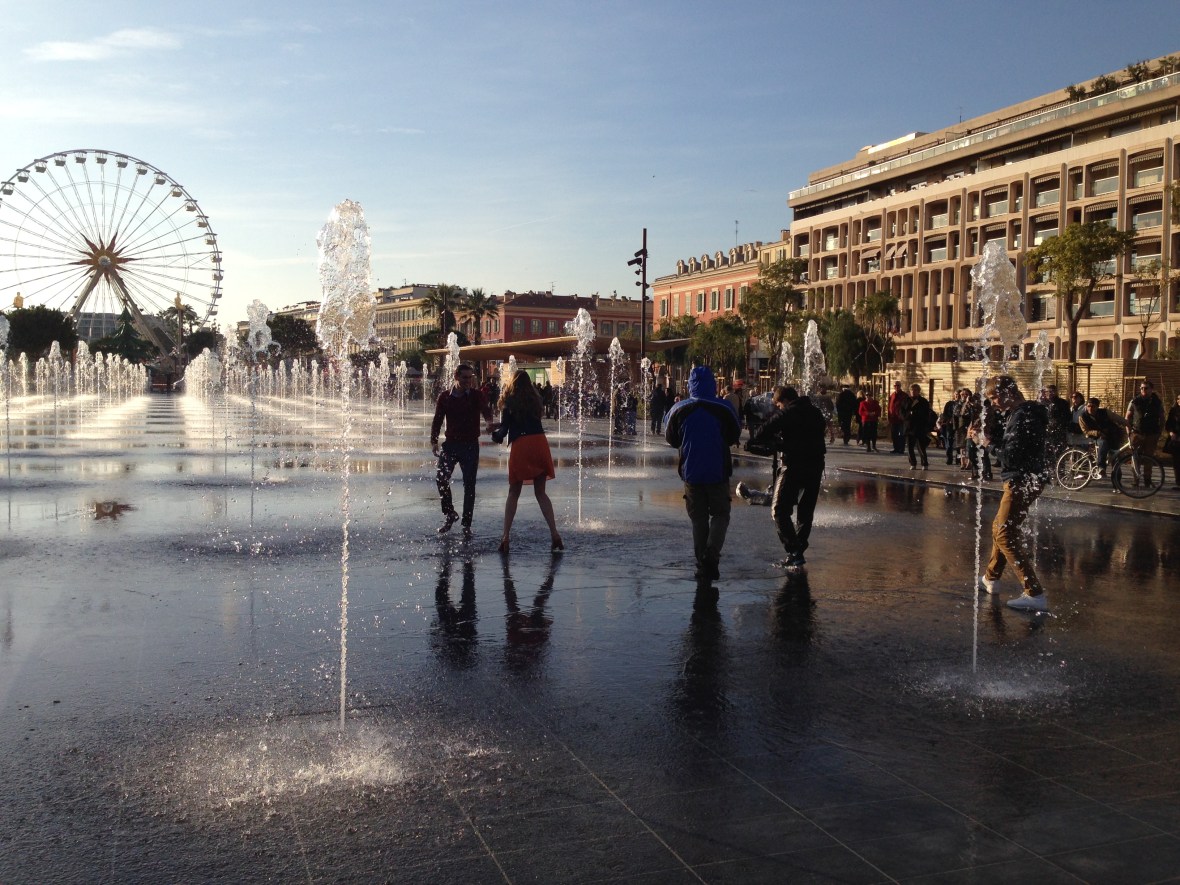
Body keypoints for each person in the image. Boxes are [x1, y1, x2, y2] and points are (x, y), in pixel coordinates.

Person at [978, 376, 1050, 611]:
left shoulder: (1022, 415)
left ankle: (1034, 593)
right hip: (1028, 478)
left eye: (994, 397)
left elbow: (1011, 456)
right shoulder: (1025, 413)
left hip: (1020, 480)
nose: (993, 403)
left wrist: (987, 444)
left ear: (1008, 392)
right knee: (999, 528)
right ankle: (991, 578)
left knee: (1005, 534)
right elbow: (1016, 447)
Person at [664, 365, 741, 582]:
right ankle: (711, 555)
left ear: (690, 385)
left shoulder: (679, 409)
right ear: (713, 384)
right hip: (718, 470)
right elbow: (733, 435)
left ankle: (701, 564)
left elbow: (671, 439)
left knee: (698, 518)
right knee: (720, 514)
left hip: (691, 471)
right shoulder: (724, 408)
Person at [747, 387, 826, 571]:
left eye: (779, 404)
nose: (779, 408)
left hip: (794, 465)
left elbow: (762, 432)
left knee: (779, 510)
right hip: (816, 465)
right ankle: (798, 552)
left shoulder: (789, 412)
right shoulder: (815, 412)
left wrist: (778, 441)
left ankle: (794, 550)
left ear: (785, 400)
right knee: (805, 512)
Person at [492, 370, 562, 554]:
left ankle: (505, 536)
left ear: (512, 382)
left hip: (522, 445)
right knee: (541, 493)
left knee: (514, 492)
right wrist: (501, 426)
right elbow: (524, 421)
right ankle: (554, 533)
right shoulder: (535, 401)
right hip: (539, 443)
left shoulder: (510, 401)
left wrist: (494, 434)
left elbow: (504, 431)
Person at [430, 363, 495, 535]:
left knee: (469, 485)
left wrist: (489, 422)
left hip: (470, 445)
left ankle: (466, 525)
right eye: (465, 377)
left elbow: (486, 410)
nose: (468, 381)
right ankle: (450, 514)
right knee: (441, 479)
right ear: (456, 377)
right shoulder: (445, 397)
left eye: (470, 377)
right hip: (450, 444)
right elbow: (438, 419)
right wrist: (434, 441)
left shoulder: (476, 395)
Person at [1126, 380, 1166, 486]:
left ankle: (1147, 479)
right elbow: (1128, 417)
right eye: (1142, 388)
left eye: (1146, 388)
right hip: (1137, 433)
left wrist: (1159, 432)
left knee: (1149, 458)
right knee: (1135, 457)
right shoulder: (1135, 401)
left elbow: (1162, 418)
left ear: (1151, 389)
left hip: (1152, 434)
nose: (1143, 390)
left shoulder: (1157, 402)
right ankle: (1136, 480)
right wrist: (1129, 432)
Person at [1079, 397, 1126, 478]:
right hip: (1095, 438)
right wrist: (1097, 433)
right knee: (1103, 443)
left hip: (1111, 436)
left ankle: (1117, 481)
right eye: (1088, 406)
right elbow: (1086, 431)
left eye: (1093, 406)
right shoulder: (1083, 417)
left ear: (1097, 407)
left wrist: (1128, 424)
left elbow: (1118, 419)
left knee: (1115, 456)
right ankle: (1101, 467)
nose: (1090, 408)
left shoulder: (1105, 412)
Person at [1041, 384, 1072, 469]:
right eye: (1048, 392)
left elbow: (1068, 417)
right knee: (1047, 453)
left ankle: (1060, 471)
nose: (1050, 393)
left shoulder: (1063, 403)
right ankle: (1049, 471)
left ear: (1056, 392)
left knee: (1059, 453)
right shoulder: (1043, 403)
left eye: (1052, 391)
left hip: (1059, 432)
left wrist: (1059, 424)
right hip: (1046, 432)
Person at [903, 383, 933, 470]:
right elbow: (901, 412)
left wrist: (915, 414)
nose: (913, 392)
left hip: (919, 427)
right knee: (910, 447)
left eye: (915, 390)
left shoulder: (923, 401)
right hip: (909, 427)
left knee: (921, 447)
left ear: (918, 391)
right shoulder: (906, 400)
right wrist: (908, 414)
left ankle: (924, 463)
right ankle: (913, 463)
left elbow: (926, 414)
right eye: (912, 390)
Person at [887, 380, 910, 454]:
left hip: (901, 419)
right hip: (893, 419)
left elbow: (907, 407)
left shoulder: (904, 395)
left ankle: (901, 449)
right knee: (894, 434)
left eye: (898, 385)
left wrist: (905, 417)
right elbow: (889, 407)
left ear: (900, 386)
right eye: (895, 385)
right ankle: (896, 448)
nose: (896, 387)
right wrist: (889, 417)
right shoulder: (892, 395)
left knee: (902, 435)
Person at [1166, 392, 1180, 490]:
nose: (1179, 400)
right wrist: (1171, 433)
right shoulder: (1174, 411)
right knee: (1176, 462)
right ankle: (1178, 482)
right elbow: (1168, 424)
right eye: (1178, 399)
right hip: (1176, 439)